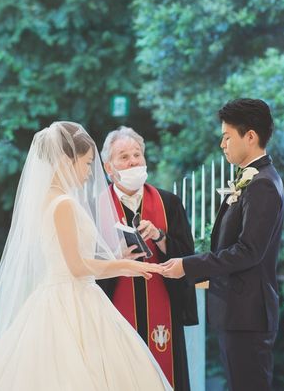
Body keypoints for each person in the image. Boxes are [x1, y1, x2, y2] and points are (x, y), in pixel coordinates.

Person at [0, 121, 171, 391]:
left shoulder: (49, 199)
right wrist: (125, 265)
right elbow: (77, 267)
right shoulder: (63, 204)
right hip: (72, 297)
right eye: (87, 164)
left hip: (62, 294)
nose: (90, 172)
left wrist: (120, 263)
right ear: (66, 161)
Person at [161, 99, 284, 391]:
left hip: (248, 315)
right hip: (238, 312)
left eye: (227, 136)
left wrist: (187, 265)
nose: (222, 144)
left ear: (250, 136)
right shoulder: (253, 178)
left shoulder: (262, 184)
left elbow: (248, 251)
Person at [97, 126, 198, 391]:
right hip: (113, 313)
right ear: (108, 167)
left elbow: (188, 256)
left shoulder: (169, 203)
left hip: (163, 312)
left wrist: (160, 237)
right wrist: (116, 259)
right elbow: (84, 266)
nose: (133, 161)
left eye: (137, 154)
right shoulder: (95, 208)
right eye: (124, 157)